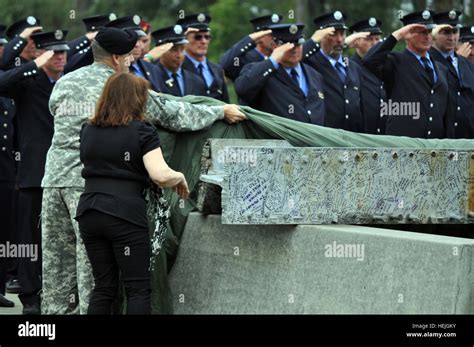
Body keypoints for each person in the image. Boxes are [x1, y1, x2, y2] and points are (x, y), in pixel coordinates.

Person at [40, 27, 246, 314]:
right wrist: (219, 111)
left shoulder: (64, 82)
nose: (131, 63)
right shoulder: (120, 88)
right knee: (95, 278)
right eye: (129, 58)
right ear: (116, 58)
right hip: (89, 187)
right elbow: (172, 113)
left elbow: (54, 112)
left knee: (56, 269)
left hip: (53, 181)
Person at [76, 72, 189, 314]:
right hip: (124, 213)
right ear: (135, 99)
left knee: (104, 287)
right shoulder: (142, 131)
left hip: (89, 211)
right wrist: (179, 176)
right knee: (137, 289)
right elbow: (159, 174)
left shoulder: (88, 129)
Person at [0, 29, 69, 314]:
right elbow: (2, 80)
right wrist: (33, 65)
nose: (61, 57)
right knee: (29, 240)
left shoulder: (70, 81)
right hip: (34, 174)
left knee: (62, 238)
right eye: (54, 52)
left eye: (63, 52)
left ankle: (59, 293)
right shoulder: (28, 82)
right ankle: (30, 297)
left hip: (66, 173)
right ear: (41, 53)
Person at [363, 10, 451, 139]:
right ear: (407, 34)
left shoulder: (441, 68)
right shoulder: (395, 62)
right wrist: (397, 35)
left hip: (434, 147)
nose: (427, 37)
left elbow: (445, 113)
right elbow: (369, 60)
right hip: (403, 145)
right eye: (421, 32)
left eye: (428, 32)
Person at [235, 23, 325, 125]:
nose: (294, 48)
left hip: (313, 139)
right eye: (287, 45)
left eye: (298, 43)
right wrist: (272, 61)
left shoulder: (314, 75)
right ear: (274, 45)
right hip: (278, 140)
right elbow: (242, 89)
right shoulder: (262, 71)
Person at [302, 11, 365, 133]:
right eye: (333, 34)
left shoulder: (353, 67)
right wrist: (313, 41)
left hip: (353, 140)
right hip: (325, 138)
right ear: (321, 36)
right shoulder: (310, 63)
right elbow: (292, 58)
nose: (340, 39)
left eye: (342, 34)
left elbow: (361, 107)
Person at [430, 10, 474, 139]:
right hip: (440, 139)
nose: (452, 37)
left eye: (455, 31)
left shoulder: (466, 63)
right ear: (434, 34)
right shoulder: (428, 61)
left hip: (468, 138)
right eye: (446, 32)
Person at [347, 17, 387, 135]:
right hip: (360, 135)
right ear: (356, 41)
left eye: (377, 39)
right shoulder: (349, 66)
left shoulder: (386, 64)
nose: (375, 43)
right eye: (369, 39)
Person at [179, 13, 229, 102]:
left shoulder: (216, 69)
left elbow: (226, 103)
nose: (204, 41)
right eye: (198, 37)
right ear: (184, 39)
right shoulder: (177, 66)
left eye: (207, 37)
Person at [106, 15, 162, 92]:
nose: (137, 44)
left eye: (139, 39)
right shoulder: (110, 70)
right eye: (131, 38)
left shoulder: (152, 69)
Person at [219, 14, 280, 81]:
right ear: (259, 36)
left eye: (277, 33)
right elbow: (224, 64)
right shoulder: (245, 59)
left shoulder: (282, 58)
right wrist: (250, 39)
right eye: (270, 34)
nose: (275, 38)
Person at [151, 24, 207, 97]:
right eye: (173, 50)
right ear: (160, 50)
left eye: (182, 49)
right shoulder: (153, 78)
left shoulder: (196, 81)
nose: (179, 55)